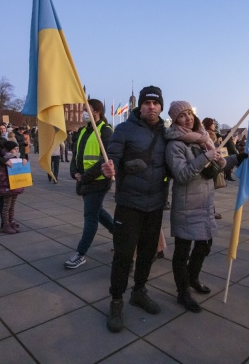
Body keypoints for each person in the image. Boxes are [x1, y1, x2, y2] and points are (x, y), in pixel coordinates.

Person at [100, 85, 167, 333]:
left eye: (156, 103)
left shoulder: (165, 133)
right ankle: (116, 300)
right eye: (147, 103)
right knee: (123, 255)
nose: (151, 107)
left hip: (155, 204)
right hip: (129, 204)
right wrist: (107, 169)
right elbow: (112, 157)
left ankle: (139, 291)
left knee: (148, 252)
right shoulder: (124, 129)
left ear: (161, 106)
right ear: (140, 105)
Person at [164, 101, 243, 313]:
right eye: (182, 115)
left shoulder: (203, 140)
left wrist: (225, 161)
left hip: (205, 202)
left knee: (205, 244)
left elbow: (215, 167)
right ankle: (183, 293)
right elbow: (181, 175)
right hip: (186, 204)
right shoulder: (175, 144)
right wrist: (205, 158)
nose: (188, 117)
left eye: (190, 113)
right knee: (183, 250)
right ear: (175, 120)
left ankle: (192, 278)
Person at [65, 99, 114, 269]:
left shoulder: (105, 131)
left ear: (97, 112)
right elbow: (76, 153)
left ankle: (81, 253)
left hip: (98, 182)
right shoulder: (83, 131)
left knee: (90, 217)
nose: (83, 113)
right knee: (98, 212)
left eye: (87, 110)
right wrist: (74, 172)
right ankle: (120, 236)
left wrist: (85, 176)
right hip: (85, 180)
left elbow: (106, 159)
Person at [0, 141, 26, 234]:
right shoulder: (5, 160)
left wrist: (24, 161)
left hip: (16, 186)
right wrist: (7, 183)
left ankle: (11, 222)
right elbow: (1, 174)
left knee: (12, 206)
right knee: (6, 206)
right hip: (7, 187)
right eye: (14, 149)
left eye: (17, 148)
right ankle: (6, 224)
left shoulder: (17, 158)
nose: (16, 150)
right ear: (9, 150)